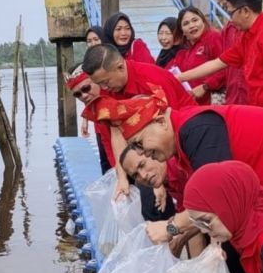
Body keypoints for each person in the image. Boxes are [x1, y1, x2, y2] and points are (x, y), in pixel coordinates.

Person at [99, 90, 263, 221]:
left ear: (160, 121)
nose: (145, 154)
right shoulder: (183, 143)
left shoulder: (195, 130)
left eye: (141, 144)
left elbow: (218, 202)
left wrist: (172, 228)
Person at [81, 43, 196, 201]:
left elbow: (172, 127)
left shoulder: (154, 79)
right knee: (149, 201)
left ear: (120, 67)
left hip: (179, 145)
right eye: (99, 84)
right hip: (147, 155)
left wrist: (161, 173)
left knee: (190, 199)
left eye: (106, 82)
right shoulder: (108, 92)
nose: (104, 88)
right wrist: (122, 177)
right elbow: (114, 136)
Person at [119, 145, 206, 258]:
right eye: (136, 175)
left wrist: (170, 229)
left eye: (142, 164)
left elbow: (207, 208)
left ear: (152, 153)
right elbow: (193, 219)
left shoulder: (178, 169)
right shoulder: (167, 181)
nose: (143, 175)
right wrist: (180, 240)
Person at [171, 6, 224, 104]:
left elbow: (225, 66)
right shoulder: (186, 51)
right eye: (186, 23)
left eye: (195, 20)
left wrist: (205, 86)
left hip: (213, 102)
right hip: (195, 105)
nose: (191, 25)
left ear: (203, 21)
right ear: (182, 31)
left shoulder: (213, 38)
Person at [66, 65, 112, 175]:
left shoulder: (111, 94)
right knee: (106, 163)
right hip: (101, 128)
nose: (84, 96)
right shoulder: (95, 103)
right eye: (78, 94)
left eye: (86, 88)